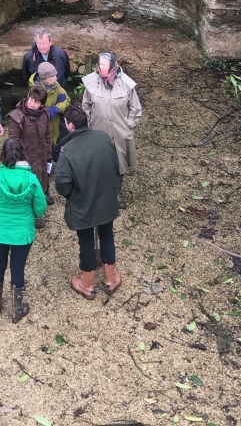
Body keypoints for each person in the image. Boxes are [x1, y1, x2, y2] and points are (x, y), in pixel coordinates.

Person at [53, 103, 122, 300]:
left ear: (70, 125)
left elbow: (61, 182)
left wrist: (71, 195)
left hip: (83, 202)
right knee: (107, 235)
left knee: (86, 241)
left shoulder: (68, 149)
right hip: (106, 198)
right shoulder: (103, 137)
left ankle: (87, 283)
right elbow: (115, 164)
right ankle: (111, 278)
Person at [0, 137, 47, 323]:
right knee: (18, 267)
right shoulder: (31, 179)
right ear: (22, 154)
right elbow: (40, 208)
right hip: (22, 233)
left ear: (3, 155)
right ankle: (17, 309)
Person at [81, 51, 142, 208]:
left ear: (113, 66)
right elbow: (85, 105)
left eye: (104, 64)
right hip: (98, 131)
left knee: (118, 162)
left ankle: (116, 194)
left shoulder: (126, 84)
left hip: (120, 132)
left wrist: (128, 124)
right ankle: (99, 193)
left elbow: (135, 108)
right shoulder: (92, 82)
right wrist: (90, 124)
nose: (100, 67)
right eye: (99, 63)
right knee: (98, 162)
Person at [7, 85, 51, 225]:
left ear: (41, 104)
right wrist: (17, 161)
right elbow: (12, 141)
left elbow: (48, 136)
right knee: (24, 187)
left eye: (36, 102)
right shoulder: (17, 116)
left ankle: (37, 214)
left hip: (41, 156)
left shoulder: (45, 114)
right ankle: (24, 215)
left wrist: (48, 156)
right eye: (31, 99)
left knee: (40, 185)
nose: (32, 103)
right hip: (24, 159)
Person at [36, 62, 70, 203]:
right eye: (53, 76)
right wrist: (45, 113)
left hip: (52, 132)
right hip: (39, 134)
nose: (56, 78)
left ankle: (46, 191)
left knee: (48, 162)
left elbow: (67, 100)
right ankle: (41, 193)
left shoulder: (56, 87)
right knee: (40, 164)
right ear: (45, 78)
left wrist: (57, 107)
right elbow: (33, 108)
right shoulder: (36, 90)